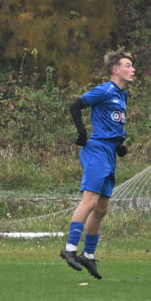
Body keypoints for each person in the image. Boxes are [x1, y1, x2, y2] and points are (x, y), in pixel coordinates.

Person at [60, 51, 135, 279]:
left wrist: (119, 144)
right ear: (116, 70)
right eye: (128, 65)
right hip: (96, 151)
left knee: (102, 208)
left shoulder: (123, 96)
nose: (132, 70)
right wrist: (82, 133)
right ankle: (70, 249)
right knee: (90, 201)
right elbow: (75, 106)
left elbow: (112, 123)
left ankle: (88, 255)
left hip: (109, 152)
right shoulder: (104, 90)